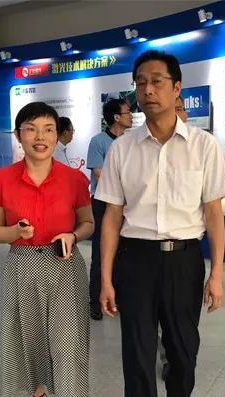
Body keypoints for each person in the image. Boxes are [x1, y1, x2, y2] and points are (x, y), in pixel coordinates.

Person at [96, 50, 225, 397]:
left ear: (177, 89)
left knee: (183, 351)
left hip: (183, 262)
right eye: (140, 82)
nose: (148, 90)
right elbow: (111, 218)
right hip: (135, 260)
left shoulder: (203, 146)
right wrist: (106, 279)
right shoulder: (122, 148)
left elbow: (214, 214)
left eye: (157, 81)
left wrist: (217, 273)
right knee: (137, 358)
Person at [0, 102, 94, 397]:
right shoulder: (1, 178)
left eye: (48, 129)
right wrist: (15, 232)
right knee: (31, 339)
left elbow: (88, 222)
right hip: (22, 263)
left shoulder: (73, 179)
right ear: (19, 135)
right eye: (31, 129)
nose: (40, 137)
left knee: (67, 346)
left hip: (64, 264)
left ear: (57, 135)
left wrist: (73, 234)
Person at [86, 99, 133, 320]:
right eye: (127, 112)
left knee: (124, 254)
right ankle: (95, 301)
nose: (131, 116)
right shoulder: (98, 142)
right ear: (116, 117)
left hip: (127, 204)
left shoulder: (131, 142)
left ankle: (117, 298)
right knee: (101, 253)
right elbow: (99, 175)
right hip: (103, 204)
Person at [159, 94, 190, 381]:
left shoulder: (199, 147)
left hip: (183, 255)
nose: (179, 113)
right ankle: (166, 357)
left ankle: (176, 358)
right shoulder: (129, 148)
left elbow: (213, 213)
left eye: (181, 108)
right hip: (144, 253)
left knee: (181, 324)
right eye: (175, 108)